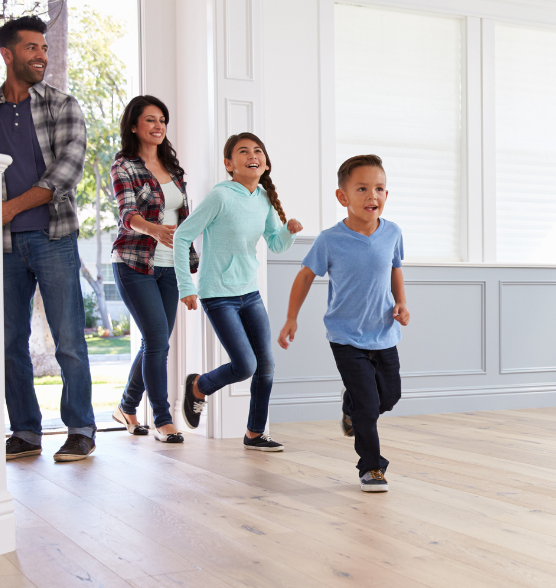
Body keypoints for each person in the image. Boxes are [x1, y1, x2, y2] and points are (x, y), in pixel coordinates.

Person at [278, 154, 409, 492]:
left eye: (379, 189)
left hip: (384, 333)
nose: (372, 196)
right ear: (342, 196)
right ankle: (371, 467)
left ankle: (350, 404)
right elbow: (304, 276)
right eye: (362, 188)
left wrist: (401, 303)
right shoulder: (330, 239)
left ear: (386, 194)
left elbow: (395, 268)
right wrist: (291, 317)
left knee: (389, 397)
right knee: (368, 406)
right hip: (346, 337)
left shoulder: (392, 232)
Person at [1, 15, 96, 463]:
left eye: (44, 48)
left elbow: (67, 171)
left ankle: (80, 429)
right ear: (7, 54)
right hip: (5, 247)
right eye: (32, 48)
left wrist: (10, 208)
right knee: (10, 342)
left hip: (53, 236)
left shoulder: (63, 105)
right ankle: (24, 431)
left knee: (69, 340)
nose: (42, 55)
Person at [174, 132, 302, 450]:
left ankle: (255, 433)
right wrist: (186, 286)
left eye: (257, 150)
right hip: (218, 294)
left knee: (266, 366)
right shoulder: (220, 197)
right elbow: (182, 236)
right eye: (243, 151)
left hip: (249, 292)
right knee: (245, 366)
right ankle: (199, 386)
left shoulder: (263, 198)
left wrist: (288, 231)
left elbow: (275, 244)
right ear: (229, 164)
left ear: (265, 163)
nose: (252, 155)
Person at [110, 95, 198, 443]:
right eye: (150, 119)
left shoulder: (173, 169)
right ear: (134, 126)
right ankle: (163, 419)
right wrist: (154, 230)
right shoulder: (124, 166)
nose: (158, 125)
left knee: (155, 342)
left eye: (162, 120)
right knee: (158, 342)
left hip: (170, 267)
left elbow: (184, 218)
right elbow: (127, 214)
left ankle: (126, 407)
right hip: (135, 263)